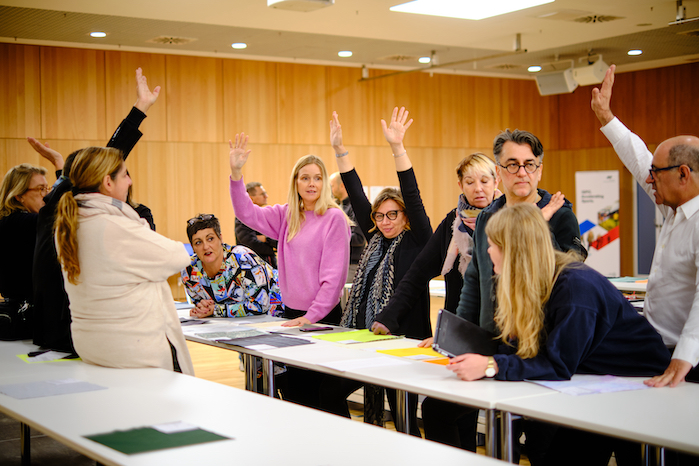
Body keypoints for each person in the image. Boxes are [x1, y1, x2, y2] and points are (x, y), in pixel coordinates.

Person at [446, 203, 670, 465]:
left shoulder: (575, 287)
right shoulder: (533, 282)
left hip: (643, 388)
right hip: (597, 383)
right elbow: (522, 347)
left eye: (493, 244)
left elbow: (557, 363)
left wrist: (489, 365)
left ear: (513, 251)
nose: (487, 251)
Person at [422, 128, 584, 457]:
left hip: (541, 348)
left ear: (539, 168)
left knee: (540, 442)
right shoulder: (488, 217)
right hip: (493, 341)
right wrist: (458, 339)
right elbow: (475, 284)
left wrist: (539, 223)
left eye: (529, 164)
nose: (521, 172)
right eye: (512, 164)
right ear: (499, 171)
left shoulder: (561, 215)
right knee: (438, 411)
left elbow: (570, 277)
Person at [315, 108, 433, 436]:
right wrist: (340, 151)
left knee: (403, 416)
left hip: (403, 342)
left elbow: (412, 194)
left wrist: (398, 148)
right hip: (365, 339)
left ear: (406, 216)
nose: (385, 221)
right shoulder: (376, 239)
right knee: (328, 393)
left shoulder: (419, 239)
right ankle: (357, 446)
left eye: (393, 215)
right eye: (379, 216)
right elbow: (354, 193)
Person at [29, 67, 160, 352]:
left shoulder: (58, 207)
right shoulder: (68, 209)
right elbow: (112, 152)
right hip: (75, 332)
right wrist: (139, 109)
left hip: (66, 330)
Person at [591, 64, 699, 388]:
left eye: (657, 173)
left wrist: (686, 355)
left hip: (688, 358)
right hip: (659, 348)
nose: (649, 180)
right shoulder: (674, 207)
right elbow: (639, 159)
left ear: (683, 174)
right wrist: (606, 117)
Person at [55, 146, 193, 375]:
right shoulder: (114, 227)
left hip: (95, 346)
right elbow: (177, 255)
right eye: (125, 175)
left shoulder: (70, 225)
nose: (129, 182)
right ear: (108, 182)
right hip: (133, 350)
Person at [370, 153, 500, 340]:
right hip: (457, 328)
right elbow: (418, 273)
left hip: (499, 329)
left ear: (496, 181)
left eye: (485, 181)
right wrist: (388, 317)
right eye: (470, 182)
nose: (478, 189)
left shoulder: (509, 221)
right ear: (461, 185)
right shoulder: (452, 223)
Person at [228, 135, 351, 328]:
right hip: (291, 311)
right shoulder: (287, 215)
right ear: (296, 183)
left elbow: (333, 277)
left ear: (324, 183)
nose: (312, 183)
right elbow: (246, 213)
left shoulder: (334, 218)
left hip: (322, 314)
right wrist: (236, 173)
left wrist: (312, 315)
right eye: (305, 178)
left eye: (317, 178)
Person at [0, 157, 62, 339]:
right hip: (30, 319)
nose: (47, 195)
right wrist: (61, 169)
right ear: (19, 195)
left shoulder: (12, 221)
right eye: (40, 189)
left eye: (47, 188)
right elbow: (56, 215)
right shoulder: (22, 222)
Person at [182, 213, 283, 318]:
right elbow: (201, 305)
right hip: (238, 323)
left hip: (282, 313)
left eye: (210, 239)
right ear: (193, 247)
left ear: (220, 239)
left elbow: (261, 306)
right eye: (198, 242)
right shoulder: (189, 269)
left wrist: (216, 310)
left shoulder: (243, 259)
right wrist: (202, 309)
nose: (206, 246)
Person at [329, 171, 366, 282]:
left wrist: (333, 238)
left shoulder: (356, 207)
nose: (330, 190)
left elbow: (359, 238)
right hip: (338, 263)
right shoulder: (338, 206)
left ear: (342, 186)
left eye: (332, 186)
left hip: (352, 265)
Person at [234, 181, 278, 268]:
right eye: (262, 194)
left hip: (269, 266)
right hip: (252, 267)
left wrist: (265, 239)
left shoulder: (265, 215)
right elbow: (250, 244)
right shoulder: (242, 218)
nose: (266, 196)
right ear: (251, 199)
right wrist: (271, 248)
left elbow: (278, 240)